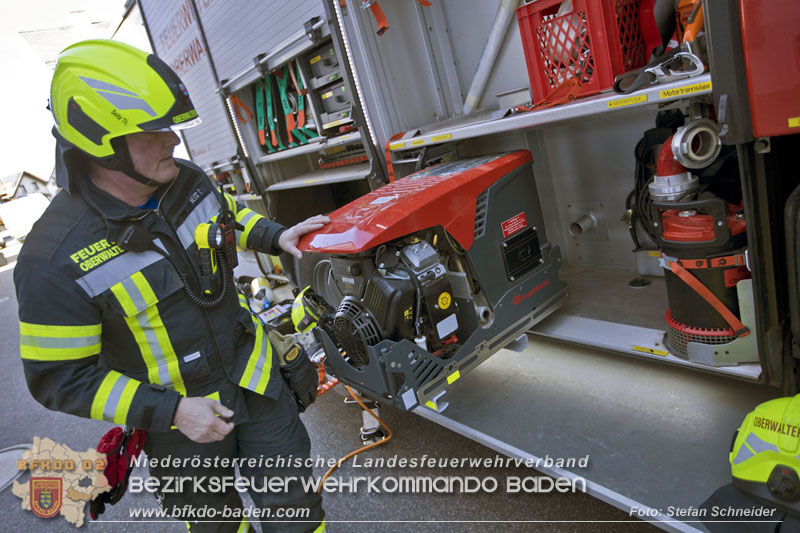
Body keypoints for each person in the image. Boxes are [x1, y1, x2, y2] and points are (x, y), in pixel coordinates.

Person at [14, 39, 328, 532]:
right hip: (180, 426)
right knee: (216, 525)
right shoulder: (52, 260)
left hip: (257, 381)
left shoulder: (186, 180)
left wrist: (274, 235)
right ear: (101, 141)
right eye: (154, 129)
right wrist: (173, 410)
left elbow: (223, 215)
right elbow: (58, 378)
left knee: (296, 513)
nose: (173, 140)